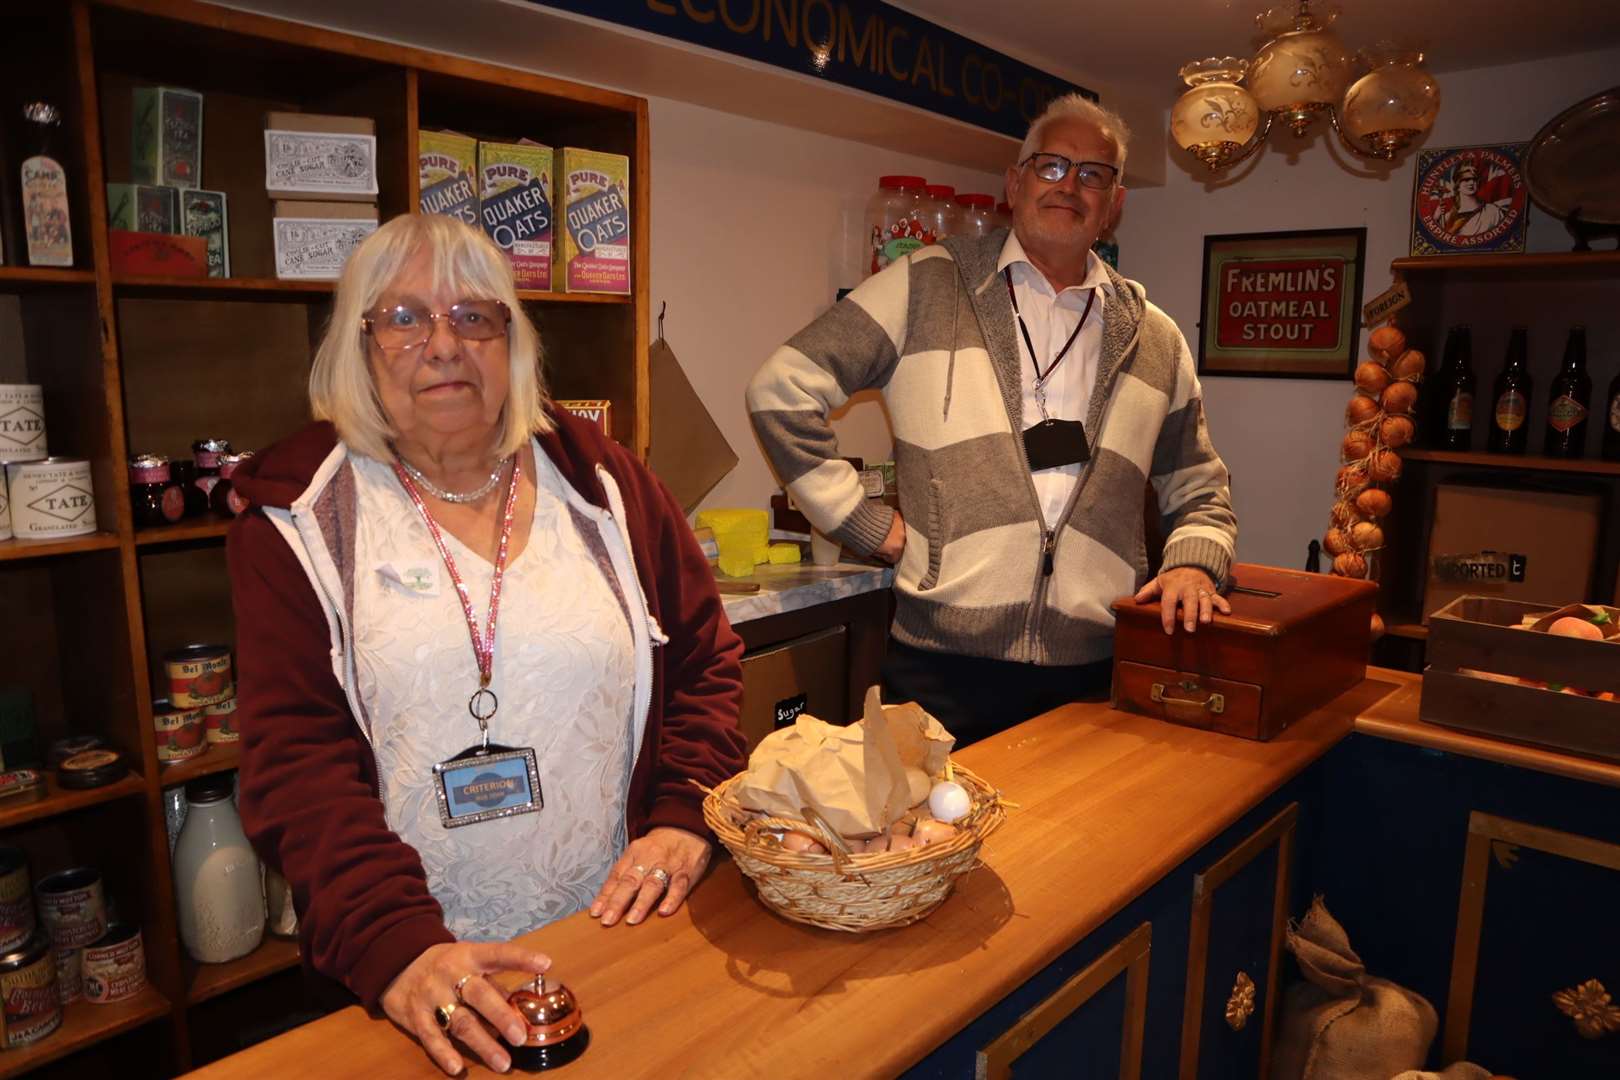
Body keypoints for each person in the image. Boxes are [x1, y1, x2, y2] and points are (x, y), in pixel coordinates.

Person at [227, 214, 746, 1076]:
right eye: (403, 318)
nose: (444, 345)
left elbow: (704, 658)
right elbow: (295, 760)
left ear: (514, 343)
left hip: (619, 938)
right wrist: (393, 947)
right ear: (358, 346)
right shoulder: (302, 517)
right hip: (420, 986)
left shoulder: (605, 484)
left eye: (476, 316)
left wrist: (686, 811)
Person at [748, 94, 1237, 745]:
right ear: (1015, 183)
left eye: (1095, 174)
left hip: (1094, 676)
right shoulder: (925, 285)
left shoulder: (1157, 339)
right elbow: (780, 390)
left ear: (1115, 203)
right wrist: (868, 526)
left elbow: (1201, 486)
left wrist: (1194, 565)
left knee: (1077, 849)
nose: (1071, 185)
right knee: (932, 844)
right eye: (1053, 165)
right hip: (938, 671)